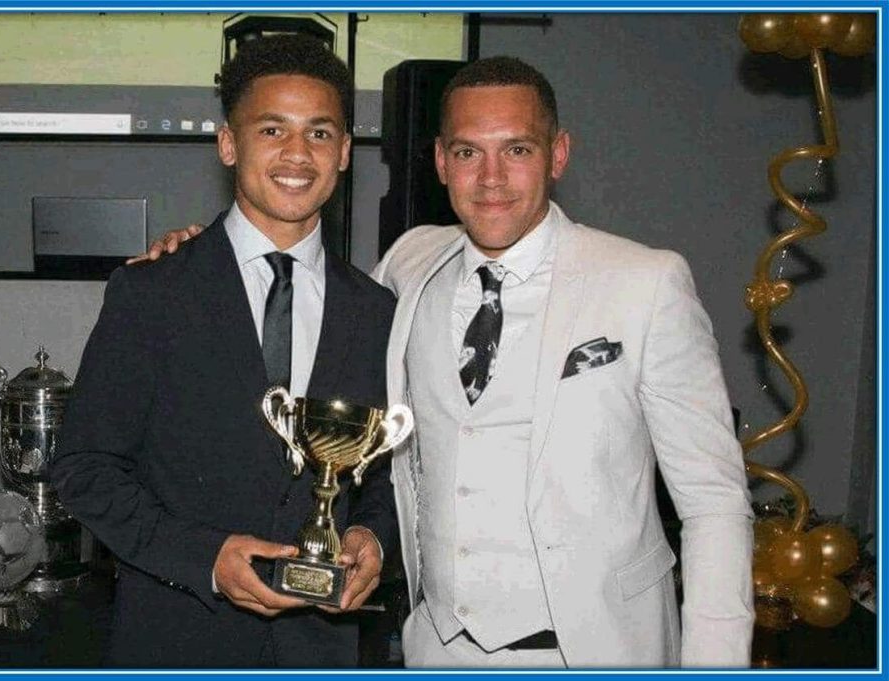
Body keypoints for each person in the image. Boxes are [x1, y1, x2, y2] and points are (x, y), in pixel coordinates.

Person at [140, 56, 755, 668]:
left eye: (516, 150)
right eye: (467, 153)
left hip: (595, 652)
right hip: (436, 649)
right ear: (440, 162)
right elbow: (302, 288)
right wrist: (202, 256)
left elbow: (713, 502)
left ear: (558, 154)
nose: (491, 178)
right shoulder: (409, 266)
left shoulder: (646, 282)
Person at [51, 34, 398, 668]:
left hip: (320, 650)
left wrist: (370, 535)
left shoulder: (377, 312)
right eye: (272, 129)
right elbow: (85, 470)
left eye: (320, 133)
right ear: (229, 143)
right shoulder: (152, 291)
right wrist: (204, 557)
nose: (298, 153)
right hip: (176, 638)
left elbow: (386, 475)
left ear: (346, 151)